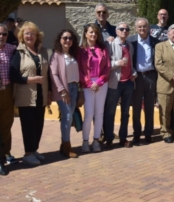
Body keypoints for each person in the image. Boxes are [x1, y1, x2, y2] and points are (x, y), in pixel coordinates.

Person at [10, 22, 50, 166]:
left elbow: (48, 73)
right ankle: (27, 153)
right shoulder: (18, 52)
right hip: (26, 96)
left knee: (39, 124)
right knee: (28, 125)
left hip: (41, 95)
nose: (30, 36)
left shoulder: (43, 50)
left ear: (37, 35)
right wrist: (30, 79)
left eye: (32, 33)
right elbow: (13, 76)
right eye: (27, 33)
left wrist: (49, 92)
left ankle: (34, 150)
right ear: (22, 36)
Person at [103, 22, 137, 149]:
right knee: (110, 112)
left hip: (128, 83)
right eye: (121, 29)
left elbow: (131, 64)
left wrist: (134, 73)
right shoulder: (110, 43)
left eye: (127, 29)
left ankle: (123, 137)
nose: (124, 31)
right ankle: (109, 138)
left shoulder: (129, 45)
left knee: (125, 112)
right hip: (115, 83)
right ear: (116, 31)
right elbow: (105, 64)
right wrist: (117, 63)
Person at [78, 23, 110, 153]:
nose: (93, 35)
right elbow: (79, 69)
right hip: (87, 84)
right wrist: (89, 83)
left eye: (95, 33)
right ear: (85, 34)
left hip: (101, 83)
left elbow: (107, 66)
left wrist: (100, 81)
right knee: (89, 114)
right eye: (91, 32)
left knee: (99, 113)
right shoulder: (80, 50)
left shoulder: (103, 49)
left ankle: (96, 140)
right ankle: (85, 141)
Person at [49, 29, 80, 158]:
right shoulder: (56, 54)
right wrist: (62, 91)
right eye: (65, 38)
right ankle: (67, 146)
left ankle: (63, 145)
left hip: (74, 88)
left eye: (70, 38)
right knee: (67, 118)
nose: (68, 40)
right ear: (60, 40)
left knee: (70, 117)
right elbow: (53, 74)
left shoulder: (74, 54)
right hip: (64, 89)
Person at [128, 18, 159, 145]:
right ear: (136, 28)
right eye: (139, 27)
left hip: (151, 76)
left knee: (149, 106)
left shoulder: (156, 42)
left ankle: (148, 133)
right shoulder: (131, 41)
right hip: (137, 77)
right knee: (136, 107)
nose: (142, 29)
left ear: (149, 28)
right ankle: (136, 134)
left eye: (144, 26)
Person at [0, 24, 17, 165]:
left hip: (7, 90)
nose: (1, 37)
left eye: (4, 34)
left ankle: (6, 152)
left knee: (6, 123)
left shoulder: (12, 49)